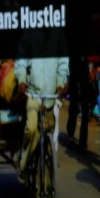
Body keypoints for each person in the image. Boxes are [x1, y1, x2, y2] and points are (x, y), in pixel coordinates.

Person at [14, 55, 69, 184]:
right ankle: (23, 165)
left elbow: (63, 64)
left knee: (47, 135)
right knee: (32, 129)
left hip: (50, 97)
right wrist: (22, 80)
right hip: (33, 95)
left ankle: (47, 177)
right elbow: (21, 62)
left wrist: (61, 82)